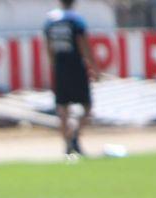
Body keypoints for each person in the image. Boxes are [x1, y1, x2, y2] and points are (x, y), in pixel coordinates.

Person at [44, 0, 99, 156]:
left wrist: (54, 66)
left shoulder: (51, 21)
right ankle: (74, 136)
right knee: (87, 106)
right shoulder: (76, 20)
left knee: (62, 108)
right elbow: (83, 44)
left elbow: (48, 47)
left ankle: (67, 144)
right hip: (76, 67)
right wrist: (93, 67)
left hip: (60, 68)